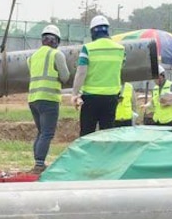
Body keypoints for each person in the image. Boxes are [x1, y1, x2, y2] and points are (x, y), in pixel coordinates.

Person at [71, 15, 126, 136]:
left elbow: (81, 73)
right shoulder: (120, 49)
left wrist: (75, 94)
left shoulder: (88, 48)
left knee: (87, 133)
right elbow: (120, 71)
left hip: (91, 98)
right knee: (107, 133)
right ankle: (106, 155)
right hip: (111, 97)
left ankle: (87, 155)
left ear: (92, 32)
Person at [27, 24, 70, 174]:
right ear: (56, 41)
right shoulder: (56, 55)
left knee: (41, 132)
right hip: (49, 98)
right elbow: (65, 77)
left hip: (33, 99)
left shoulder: (33, 57)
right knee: (47, 133)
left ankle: (38, 162)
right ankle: (39, 165)